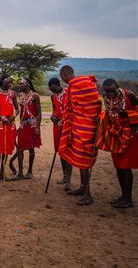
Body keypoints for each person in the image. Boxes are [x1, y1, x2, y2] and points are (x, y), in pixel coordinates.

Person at [58, 66, 102, 206]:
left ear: (64, 74)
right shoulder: (86, 83)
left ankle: (88, 195)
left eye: (62, 77)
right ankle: (83, 188)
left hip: (86, 129)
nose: (62, 80)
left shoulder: (77, 86)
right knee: (80, 159)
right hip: (79, 127)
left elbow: (94, 106)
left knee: (84, 163)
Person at [96, 79, 138, 208]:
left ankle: (128, 199)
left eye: (112, 92)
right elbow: (109, 112)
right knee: (119, 166)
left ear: (117, 87)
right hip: (116, 137)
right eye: (107, 92)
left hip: (130, 136)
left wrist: (126, 113)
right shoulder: (106, 97)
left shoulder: (129, 95)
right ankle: (124, 196)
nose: (110, 95)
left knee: (125, 166)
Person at [9, 78, 42, 180]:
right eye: (19, 84)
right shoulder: (21, 96)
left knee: (31, 148)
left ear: (27, 84)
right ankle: (20, 173)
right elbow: (20, 111)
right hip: (23, 125)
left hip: (32, 126)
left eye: (21, 84)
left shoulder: (35, 96)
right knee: (20, 148)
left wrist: (37, 127)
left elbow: (39, 112)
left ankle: (30, 171)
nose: (19, 86)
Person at [0, 75, 19, 184]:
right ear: (3, 82)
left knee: (6, 150)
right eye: (9, 82)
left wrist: (14, 116)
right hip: (0, 124)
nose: (10, 85)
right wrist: (2, 117)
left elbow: (17, 109)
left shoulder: (12, 94)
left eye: (11, 83)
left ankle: (2, 172)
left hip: (11, 124)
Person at [48, 77, 72, 191]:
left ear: (59, 85)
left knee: (67, 151)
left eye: (55, 89)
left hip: (67, 125)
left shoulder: (68, 92)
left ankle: (68, 181)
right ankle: (65, 176)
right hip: (57, 126)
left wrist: (65, 120)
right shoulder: (53, 96)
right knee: (61, 151)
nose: (54, 91)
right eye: (52, 90)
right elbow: (54, 111)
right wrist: (53, 117)